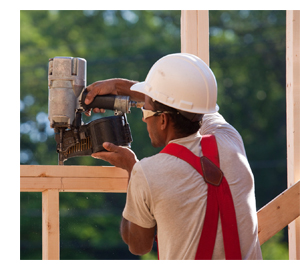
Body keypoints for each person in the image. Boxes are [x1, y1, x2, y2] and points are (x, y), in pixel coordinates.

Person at [84, 53, 263, 260]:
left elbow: (138, 244)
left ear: (163, 121)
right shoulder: (229, 139)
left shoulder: (148, 172)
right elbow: (190, 103)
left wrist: (132, 169)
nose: (143, 118)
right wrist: (117, 87)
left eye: (145, 109)